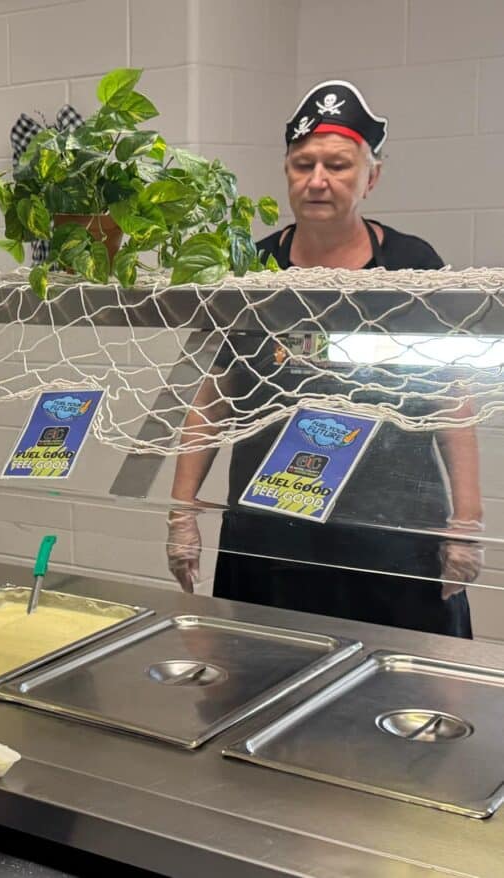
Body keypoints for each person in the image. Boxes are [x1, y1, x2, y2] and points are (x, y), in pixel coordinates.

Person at [166, 80, 482, 639]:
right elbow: (213, 395)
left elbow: (451, 398)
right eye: (303, 164)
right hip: (270, 534)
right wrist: (182, 512)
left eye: (337, 166)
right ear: (286, 171)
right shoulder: (254, 266)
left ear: (371, 178)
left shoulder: (411, 264)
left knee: (398, 679)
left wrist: (466, 523)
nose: (317, 180)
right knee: (262, 671)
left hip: (390, 537)